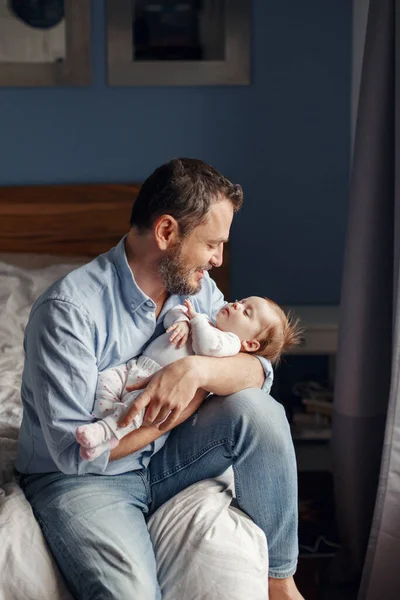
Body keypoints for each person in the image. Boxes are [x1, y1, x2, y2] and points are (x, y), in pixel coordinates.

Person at [16, 158, 305, 600]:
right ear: (167, 232)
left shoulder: (197, 288)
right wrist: (176, 409)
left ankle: (281, 583)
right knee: (130, 593)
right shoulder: (68, 312)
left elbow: (255, 371)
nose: (218, 260)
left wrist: (194, 371)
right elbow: (76, 453)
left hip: (165, 459)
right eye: (212, 244)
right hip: (86, 479)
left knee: (259, 412)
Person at [76, 297, 302, 461]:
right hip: (137, 368)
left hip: (157, 386)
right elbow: (172, 314)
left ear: (250, 344)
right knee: (106, 379)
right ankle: (101, 424)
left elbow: (207, 346)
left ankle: (104, 432)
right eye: (241, 301)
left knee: (136, 408)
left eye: (246, 312)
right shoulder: (205, 320)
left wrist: (195, 320)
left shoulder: (228, 343)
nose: (236, 305)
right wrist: (182, 321)